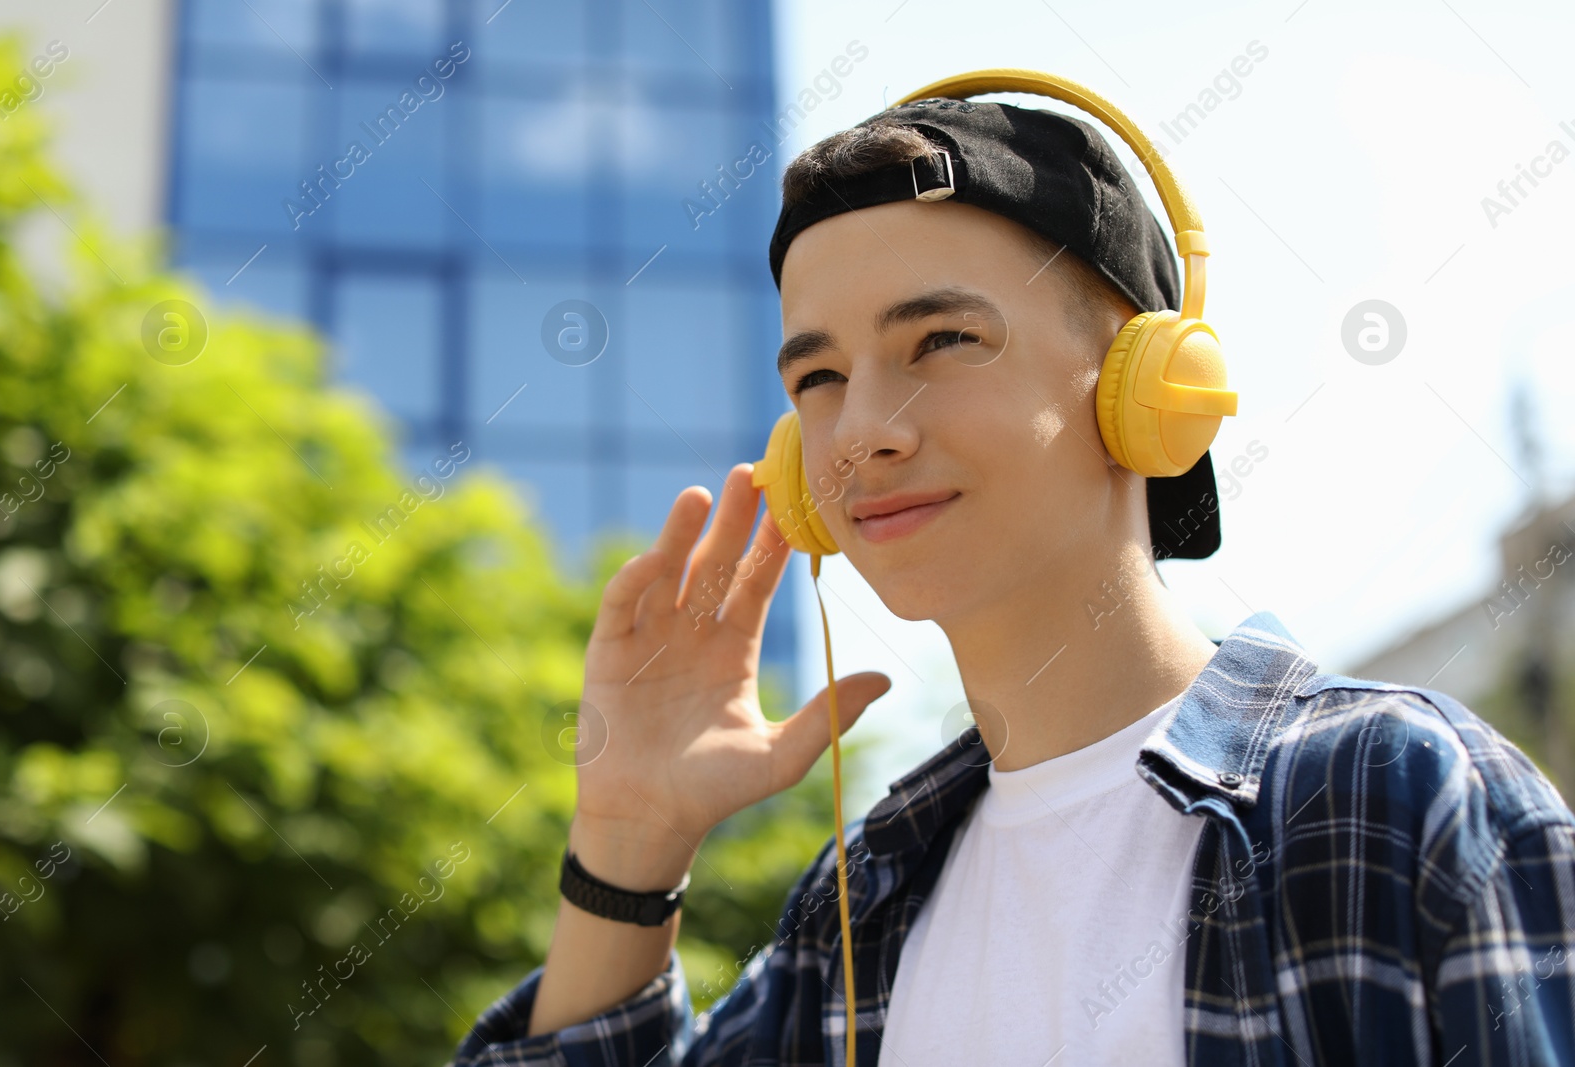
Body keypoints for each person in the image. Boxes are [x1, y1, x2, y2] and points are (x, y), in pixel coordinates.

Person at [449, 94, 1575, 1066]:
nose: (864, 431)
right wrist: (629, 841)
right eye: (822, 375)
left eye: (941, 340)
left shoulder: (1392, 797)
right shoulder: (858, 909)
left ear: (1149, 385)